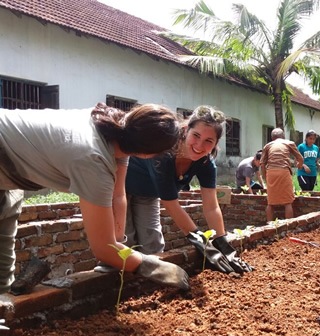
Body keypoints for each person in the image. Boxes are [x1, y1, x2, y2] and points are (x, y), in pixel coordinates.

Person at [0, 103, 190, 295]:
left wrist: (118, 243)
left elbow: (118, 195)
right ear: (148, 154)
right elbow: (103, 249)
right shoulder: (93, 159)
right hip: (5, 157)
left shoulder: (118, 134)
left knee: (2, 266)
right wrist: (151, 266)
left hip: (9, 174)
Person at [107, 105, 252, 274]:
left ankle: (149, 284)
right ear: (185, 130)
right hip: (121, 189)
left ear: (215, 144)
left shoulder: (206, 164)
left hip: (149, 194)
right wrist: (202, 243)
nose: (199, 145)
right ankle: (121, 286)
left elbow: (211, 207)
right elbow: (171, 205)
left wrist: (223, 244)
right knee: (126, 241)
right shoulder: (164, 155)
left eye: (208, 141)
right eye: (196, 135)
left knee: (152, 243)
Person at [260, 128, 309, 222]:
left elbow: (262, 164)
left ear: (272, 138)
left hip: (271, 172)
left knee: (270, 203)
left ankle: (269, 226)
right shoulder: (289, 143)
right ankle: (288, 226)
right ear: (283, 136)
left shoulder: (268, 145)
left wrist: (266, 178)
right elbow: (300, 158)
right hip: (283, 171)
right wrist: (299, 166)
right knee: (287, 202)